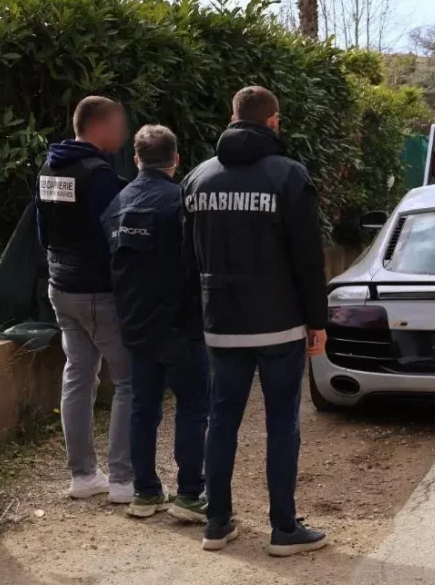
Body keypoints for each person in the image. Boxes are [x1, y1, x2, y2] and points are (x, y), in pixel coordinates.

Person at [182, 86, 329, 556]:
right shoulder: (289, 176)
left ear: (232, 119)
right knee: (282, 422)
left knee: (221, 420)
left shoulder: (198, 178)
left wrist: (198, 315)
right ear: (272, 122)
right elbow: (308, 257)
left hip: (221, 322)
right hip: (279, 322)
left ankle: (217, 524)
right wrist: (317, 319)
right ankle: (284, 528)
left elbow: (187, 258)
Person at [101, 125, 209, 522]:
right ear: (176, 159)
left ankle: (145, 492)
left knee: (143, 408)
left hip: (136, 325)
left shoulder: (116, 204)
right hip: (181, 324)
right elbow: (197, 260)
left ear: (136, 159)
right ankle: (190, 495)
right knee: (193, 408)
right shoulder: (181, 202)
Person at [36, 96, 134, 503]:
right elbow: (114, 238)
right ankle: (124, 480)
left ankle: (83, 475)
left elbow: (43, 233)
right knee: (129, 380)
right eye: (119, 124)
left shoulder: (48, 168)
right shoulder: (98, 176)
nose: (124, 133)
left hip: (60, 286)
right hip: (97, 290)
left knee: (78, 374)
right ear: (99, 126)